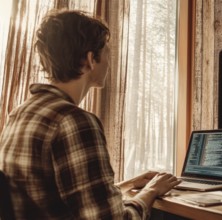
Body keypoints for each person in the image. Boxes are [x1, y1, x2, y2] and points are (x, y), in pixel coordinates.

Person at [0, 9, 180, 219]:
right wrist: (152, 191)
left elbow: (59, 198)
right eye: (107, 54)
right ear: (90, 59)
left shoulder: (20, 114)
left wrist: (130, 184)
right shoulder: (73, 121)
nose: (109, 63)